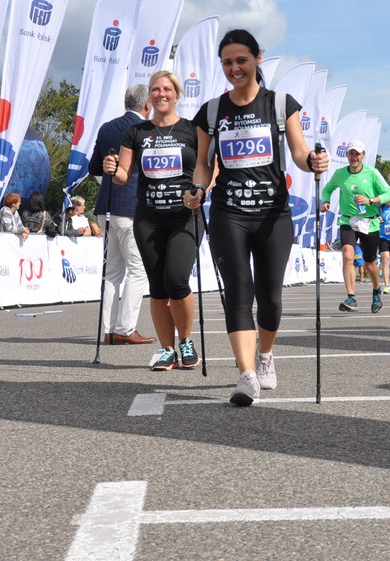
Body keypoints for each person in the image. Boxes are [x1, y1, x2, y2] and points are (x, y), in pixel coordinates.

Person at [184, 28, 329, 406]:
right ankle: (246, 375)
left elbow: (299, 154)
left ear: (257, 59)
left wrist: (314, 162)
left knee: (270, 298)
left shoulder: (280, 104)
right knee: (238, 291)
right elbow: (204, 164)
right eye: (227, 62)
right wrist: (198, 188)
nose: (234, 68)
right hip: (228, 213)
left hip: (272, 215)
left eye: (241, 61)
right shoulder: (211, 112)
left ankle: (265, 356)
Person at [103, 71, 201, 369]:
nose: (161, 94)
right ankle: (167, 349)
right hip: (148, 219)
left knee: (176, 280)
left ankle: (186, 340)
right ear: (149, 96)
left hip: (184, 217)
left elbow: (210, 167)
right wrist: (112, 168)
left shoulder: (191, 130)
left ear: (177, 94)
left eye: (167, 89)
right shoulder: (137, 132)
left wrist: (201, 190)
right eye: (156, 89)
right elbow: (123, 175)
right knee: (158, 287)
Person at [87, 85, 154, 346]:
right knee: (138, 270)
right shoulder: (144, 129)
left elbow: (94, 166)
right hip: (132, 207)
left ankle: (108, 329)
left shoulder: (107, 128)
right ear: (146, 105)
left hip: (107, 205)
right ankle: (125, 328)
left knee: (113, 272)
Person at [320, 139, 390, 314]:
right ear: (347, 155)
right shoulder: (340, 174)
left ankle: (376, 291)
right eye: (351, 153)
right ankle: (351, 297)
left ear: (363, 155)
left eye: (357, 154)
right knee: (347, 255)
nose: (354, 157)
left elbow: (389, 194)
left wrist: (370, 200)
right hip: (348, 221)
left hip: (369, 222)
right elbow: (327, 189)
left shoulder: (372, 173)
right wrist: (326, 201)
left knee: (369, 264)